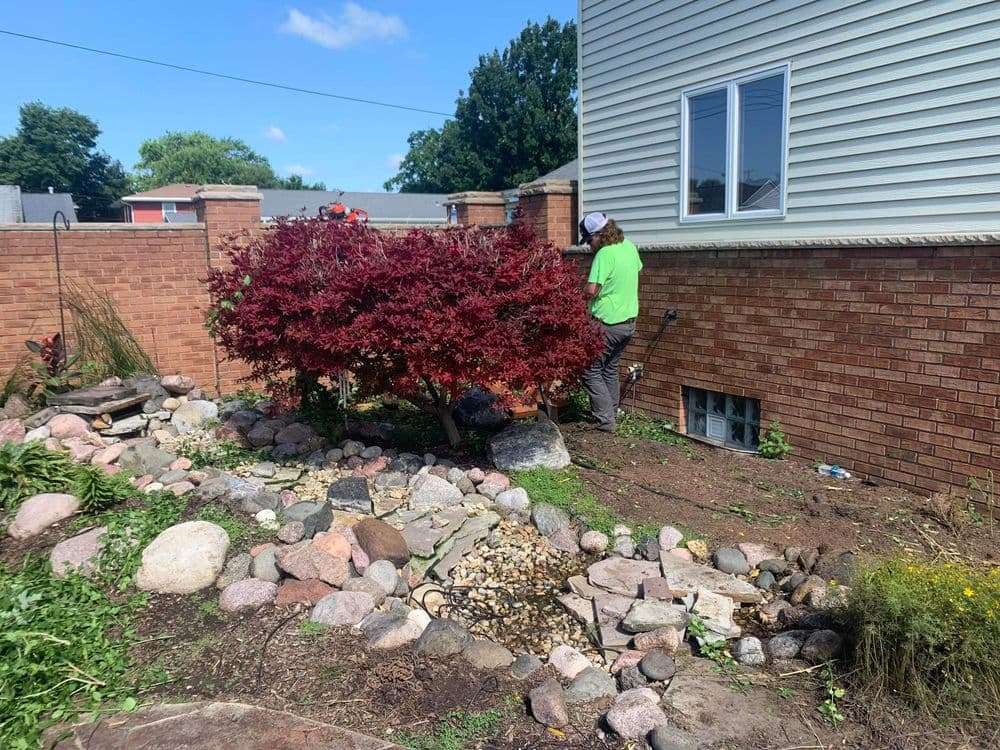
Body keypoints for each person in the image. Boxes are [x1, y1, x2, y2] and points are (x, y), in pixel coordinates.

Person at [579, 211, 642, 432]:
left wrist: (579, 293)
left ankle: (605, 421)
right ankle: (612, 412)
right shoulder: (629, 246)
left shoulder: (604, 254)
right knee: (609, 368)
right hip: (628, 323)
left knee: (589, 370)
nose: (589, 246)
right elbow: (636, 271)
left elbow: (592, 290)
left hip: (607, 323)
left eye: (589, 240)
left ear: (599, 235)